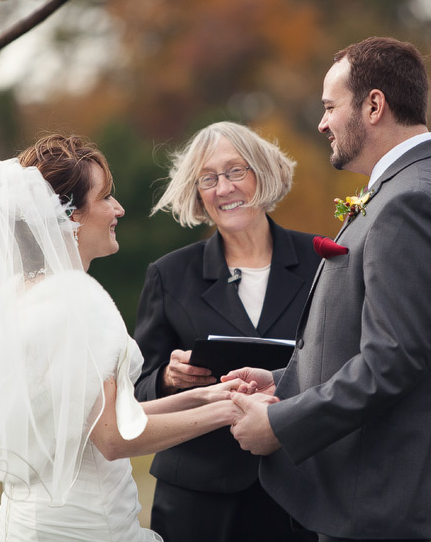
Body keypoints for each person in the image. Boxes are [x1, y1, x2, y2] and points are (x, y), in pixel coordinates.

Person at [227, 37, 431, 541]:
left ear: (374, 105)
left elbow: (391, 361)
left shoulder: (411, 202)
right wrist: (285, 381)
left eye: (330, 107)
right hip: (397, 498)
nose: (323, 123)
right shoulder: (422, 183)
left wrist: (281, 423)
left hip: (395, 504)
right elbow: (388, 347)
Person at [0, 134, 251, 542]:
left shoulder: (6, 303)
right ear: (72, 217)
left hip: (26, 523)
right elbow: (112, 438)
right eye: (106, 197)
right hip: (89, 527)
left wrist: (206, 396)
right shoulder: (78, 302)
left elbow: (87, 421)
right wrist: (230, 413)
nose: (119, 209)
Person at [133, 121, 320, 542]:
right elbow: (134, 391)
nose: (224, 188)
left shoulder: (322, 262)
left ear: (263, 175)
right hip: (197, 499)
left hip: (301, 489)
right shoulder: (168, 275)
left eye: (236, 171)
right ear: (197, 193)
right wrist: (166, 378)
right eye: (208, 178)